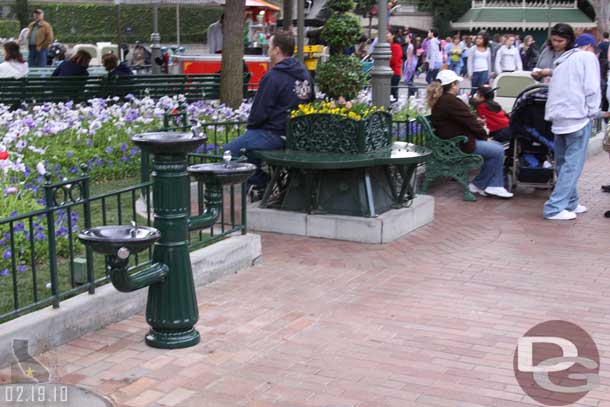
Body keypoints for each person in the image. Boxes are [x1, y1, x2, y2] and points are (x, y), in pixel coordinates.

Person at [222, 31, 315, 196]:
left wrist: (251, 129)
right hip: (298, 134)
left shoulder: (273, 77)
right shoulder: (305, 74)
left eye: (270, 47)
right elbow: (311, 102)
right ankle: (260, 186)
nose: (268, 50)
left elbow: (259, 113)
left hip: (275, 133)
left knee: (230, 151)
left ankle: (263, 182)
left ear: (277, 50)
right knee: (248, 147)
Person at [534, 31, 609, 220]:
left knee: (563, 163)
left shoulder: (563, 59)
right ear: (592, 47)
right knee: (572, 166)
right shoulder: (587, 57)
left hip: (559, 117)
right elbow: (592, 87)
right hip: (577, 117)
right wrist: (593, 111)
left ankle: (570, 202)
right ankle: (555, 206)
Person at [427, 69, 513, 198]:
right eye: (457, 84)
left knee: (496, 148)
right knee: (498, 150)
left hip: (455, 141)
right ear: (453, 85)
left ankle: (482, 184)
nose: (458, 86)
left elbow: (465, 120)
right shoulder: (450, 101)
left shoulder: (444, 100)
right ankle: (492, 185)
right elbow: (470, 122)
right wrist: (484, 136)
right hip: (459, 144)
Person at [388, 31, 403, 101]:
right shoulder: (392, 46)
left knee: (393, 92)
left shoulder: (395, 46)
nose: (386, 36)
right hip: (393, 72)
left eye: (388, 34)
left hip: (394, 72)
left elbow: (394, 60)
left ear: (393, 36)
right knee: (392, 92)